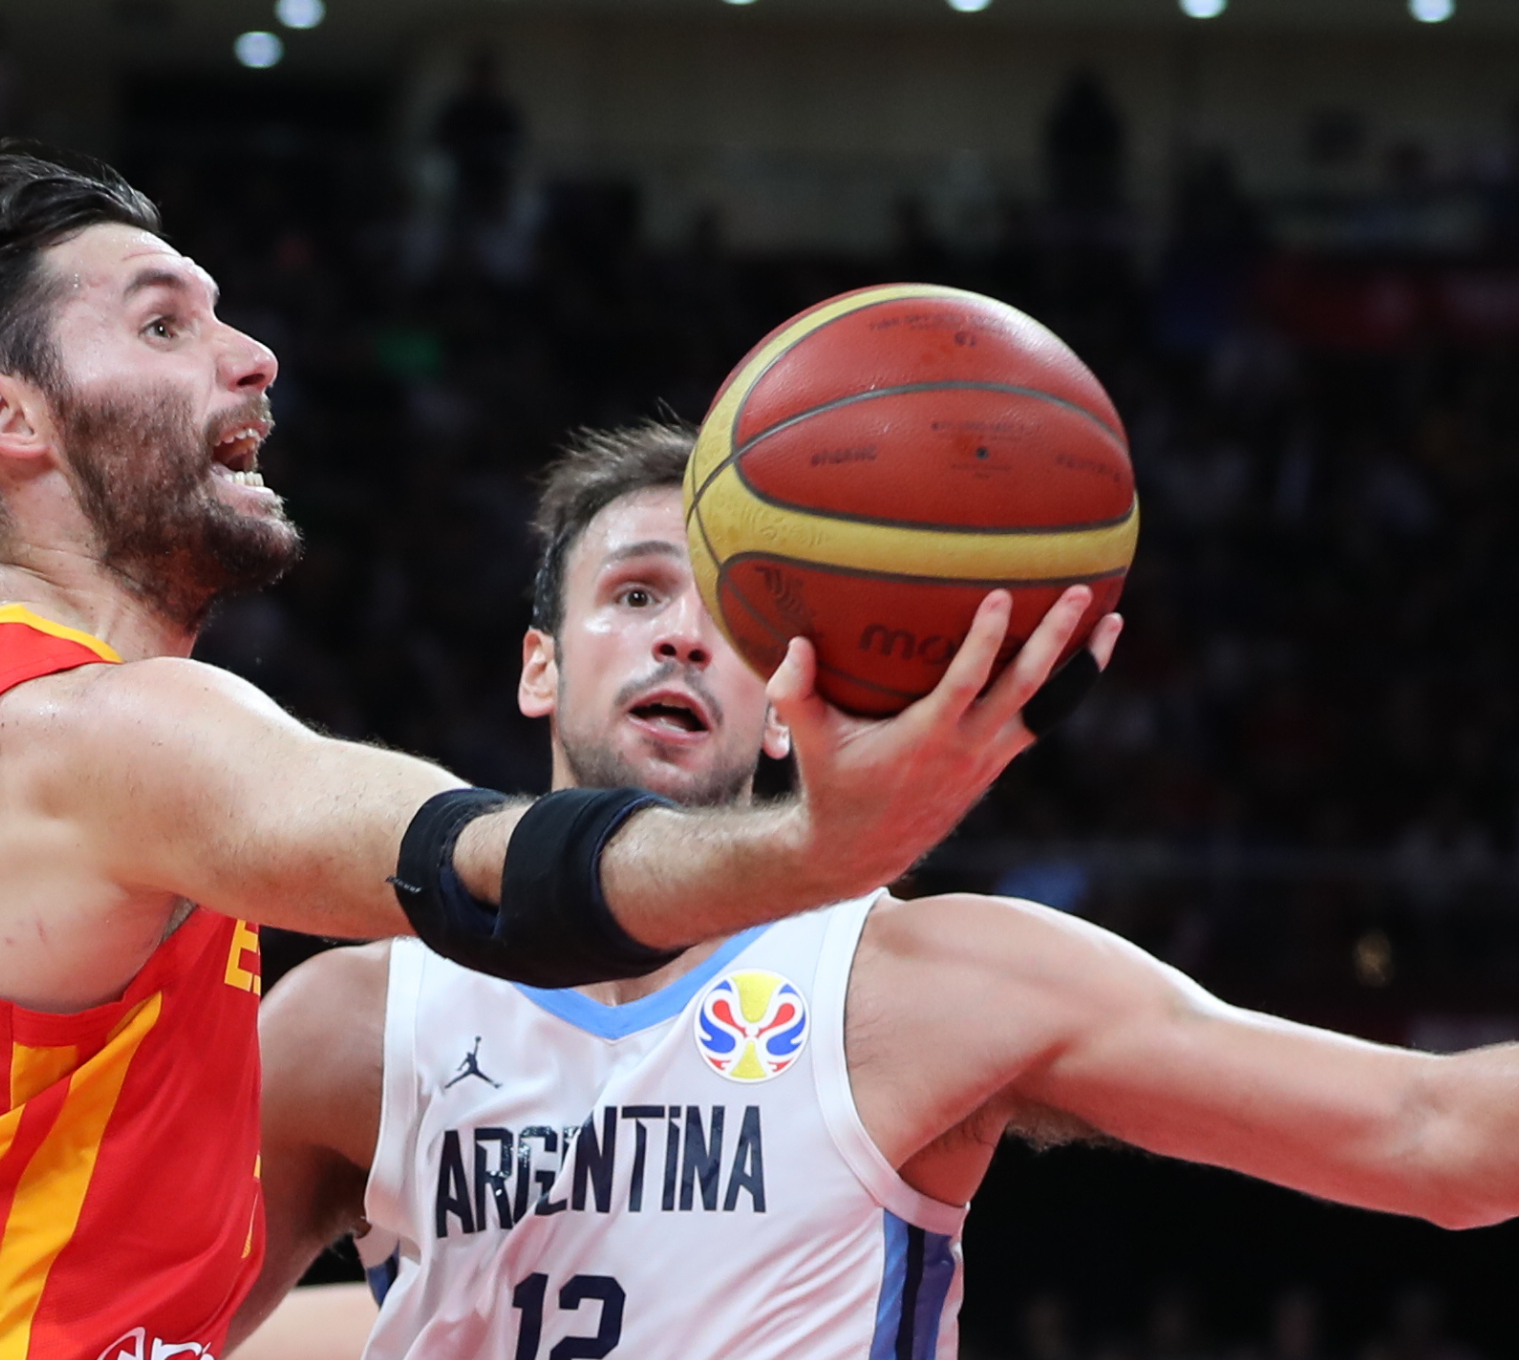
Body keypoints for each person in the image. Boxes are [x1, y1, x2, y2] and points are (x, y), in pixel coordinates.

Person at [0, 149, 1101, 1360]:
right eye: (165, 321)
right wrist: (816, 846)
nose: (250, 357)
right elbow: (480, 868)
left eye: (231, 319)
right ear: (10, 418)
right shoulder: (115, 732)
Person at [228, 421, 1519, 1360]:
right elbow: (126, 1329)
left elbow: (1434, 1134)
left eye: (730, 620)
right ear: (541, 669)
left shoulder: (928, 985)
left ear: (787, 707)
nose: (681, 633)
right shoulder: (351, 1023)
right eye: (632, 594)